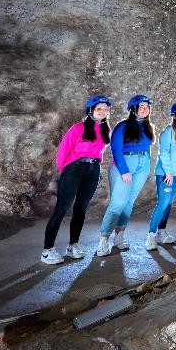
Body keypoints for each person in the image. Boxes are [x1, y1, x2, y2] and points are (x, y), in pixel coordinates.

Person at [42, 95, 111, 265]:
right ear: (91, 110)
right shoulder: (78, 128)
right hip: (74, 169)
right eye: (99, 109)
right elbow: (62, 153)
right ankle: (47, 250)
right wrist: (67, 171)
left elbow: (99, 151)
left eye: (105, 109)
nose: (103, 112)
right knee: (62, 209)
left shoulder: (105, 130)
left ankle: (73, 246)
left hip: (93, 170)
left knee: (81, 209)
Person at [97, 94, 155, 256]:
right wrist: (124, 171)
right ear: (133, 109)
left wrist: (146, 167)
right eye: (141, 106)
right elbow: (116, 150)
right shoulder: (122, 126)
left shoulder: (148, 126)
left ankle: (119, 238)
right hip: (124, 164)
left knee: (128, 203)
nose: (145, 109)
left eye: (147, 107)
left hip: (142, 165)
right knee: (118, 203)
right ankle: (103, 241)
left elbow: (147, 148)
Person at [146, 101, 176, 250]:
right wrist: (169, 172)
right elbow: (164, 153)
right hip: (166, 174)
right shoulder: (168, 132)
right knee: (163, 203)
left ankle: (162, 232)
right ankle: (151, 236)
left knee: (169, 203)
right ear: (174, 115)